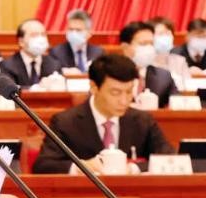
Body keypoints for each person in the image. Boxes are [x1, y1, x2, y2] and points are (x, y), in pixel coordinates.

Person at [32, 53, 174, 174]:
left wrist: (133, 168)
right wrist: (81, 167)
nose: (124, 100)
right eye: (115, 93)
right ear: (94, 87)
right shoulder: (65, 122)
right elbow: (43, 165)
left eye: (129, 91)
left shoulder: (143, 120)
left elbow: (170, 159)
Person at [119, 21, 177, 108]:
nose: (149, 48)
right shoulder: (111, 74)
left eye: (151, 44)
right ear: (125, 48)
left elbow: (177, 108)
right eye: (143, 44)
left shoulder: (164, 76)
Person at [0, 18, 60, 87]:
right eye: (34, 35)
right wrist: (38, 88)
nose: (40, 39)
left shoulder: (54, 65)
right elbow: (11, 91)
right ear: (21, 41)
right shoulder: (7, 66)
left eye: (43, 34)